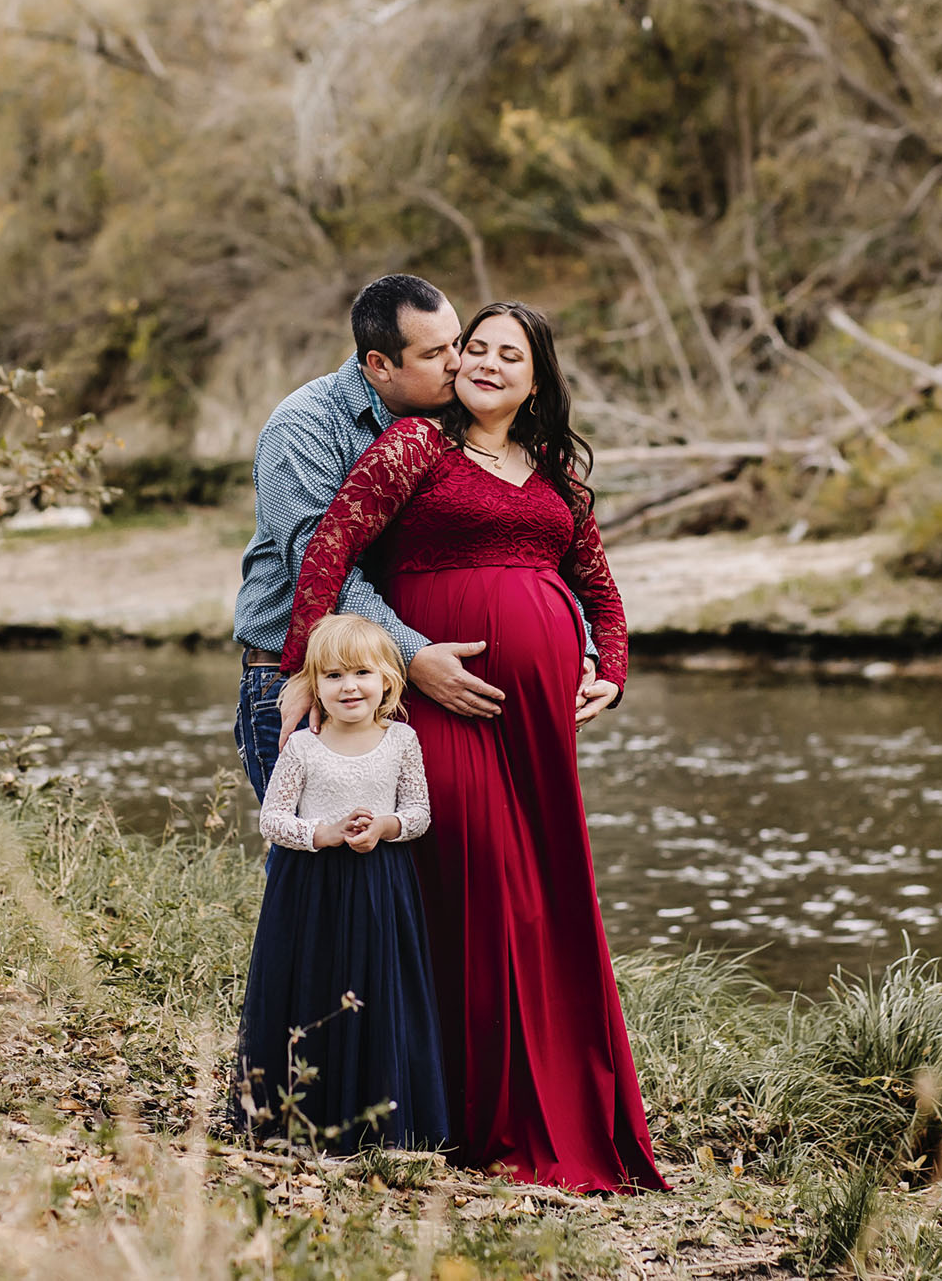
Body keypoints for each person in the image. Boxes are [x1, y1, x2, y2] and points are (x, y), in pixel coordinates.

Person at [280, 301, 668, 1193]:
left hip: (536, 724)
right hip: (439, 702)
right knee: (470, 876)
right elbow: (330, 549)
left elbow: (600, 590)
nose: (487, 363)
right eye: (476, 349)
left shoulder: (556, 473)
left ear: (538, 379)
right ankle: (458, 1106)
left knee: (542, 895)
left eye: (509, 354)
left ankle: (548, 1097)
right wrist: (312, 660)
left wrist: (609, 668)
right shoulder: (416, 445)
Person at [231, 274, 612, 804]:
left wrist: (583, 650)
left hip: (402, 683)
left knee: (397, 873)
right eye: (437, 353)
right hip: (303, 673)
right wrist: (414, 655)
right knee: (317, 863)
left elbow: (517, 551)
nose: (459, 363)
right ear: (380, 365)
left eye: (458, 342)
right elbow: (319, 564)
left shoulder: (453, 425)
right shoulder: (306, 426)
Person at [235, 613, 448, 1150]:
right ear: (314, 686)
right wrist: (322, 832)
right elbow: (273, 820)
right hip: (310, 888)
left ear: (388, 683)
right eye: (331, 676)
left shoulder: (401, 740)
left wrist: (386, 825)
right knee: (313, 983)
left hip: (380, 884)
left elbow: (419, 812)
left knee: (376, 989)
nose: (348, 686)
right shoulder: (304, 746)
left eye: (361, 674)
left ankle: (375, 1121)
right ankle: (299, 1117)